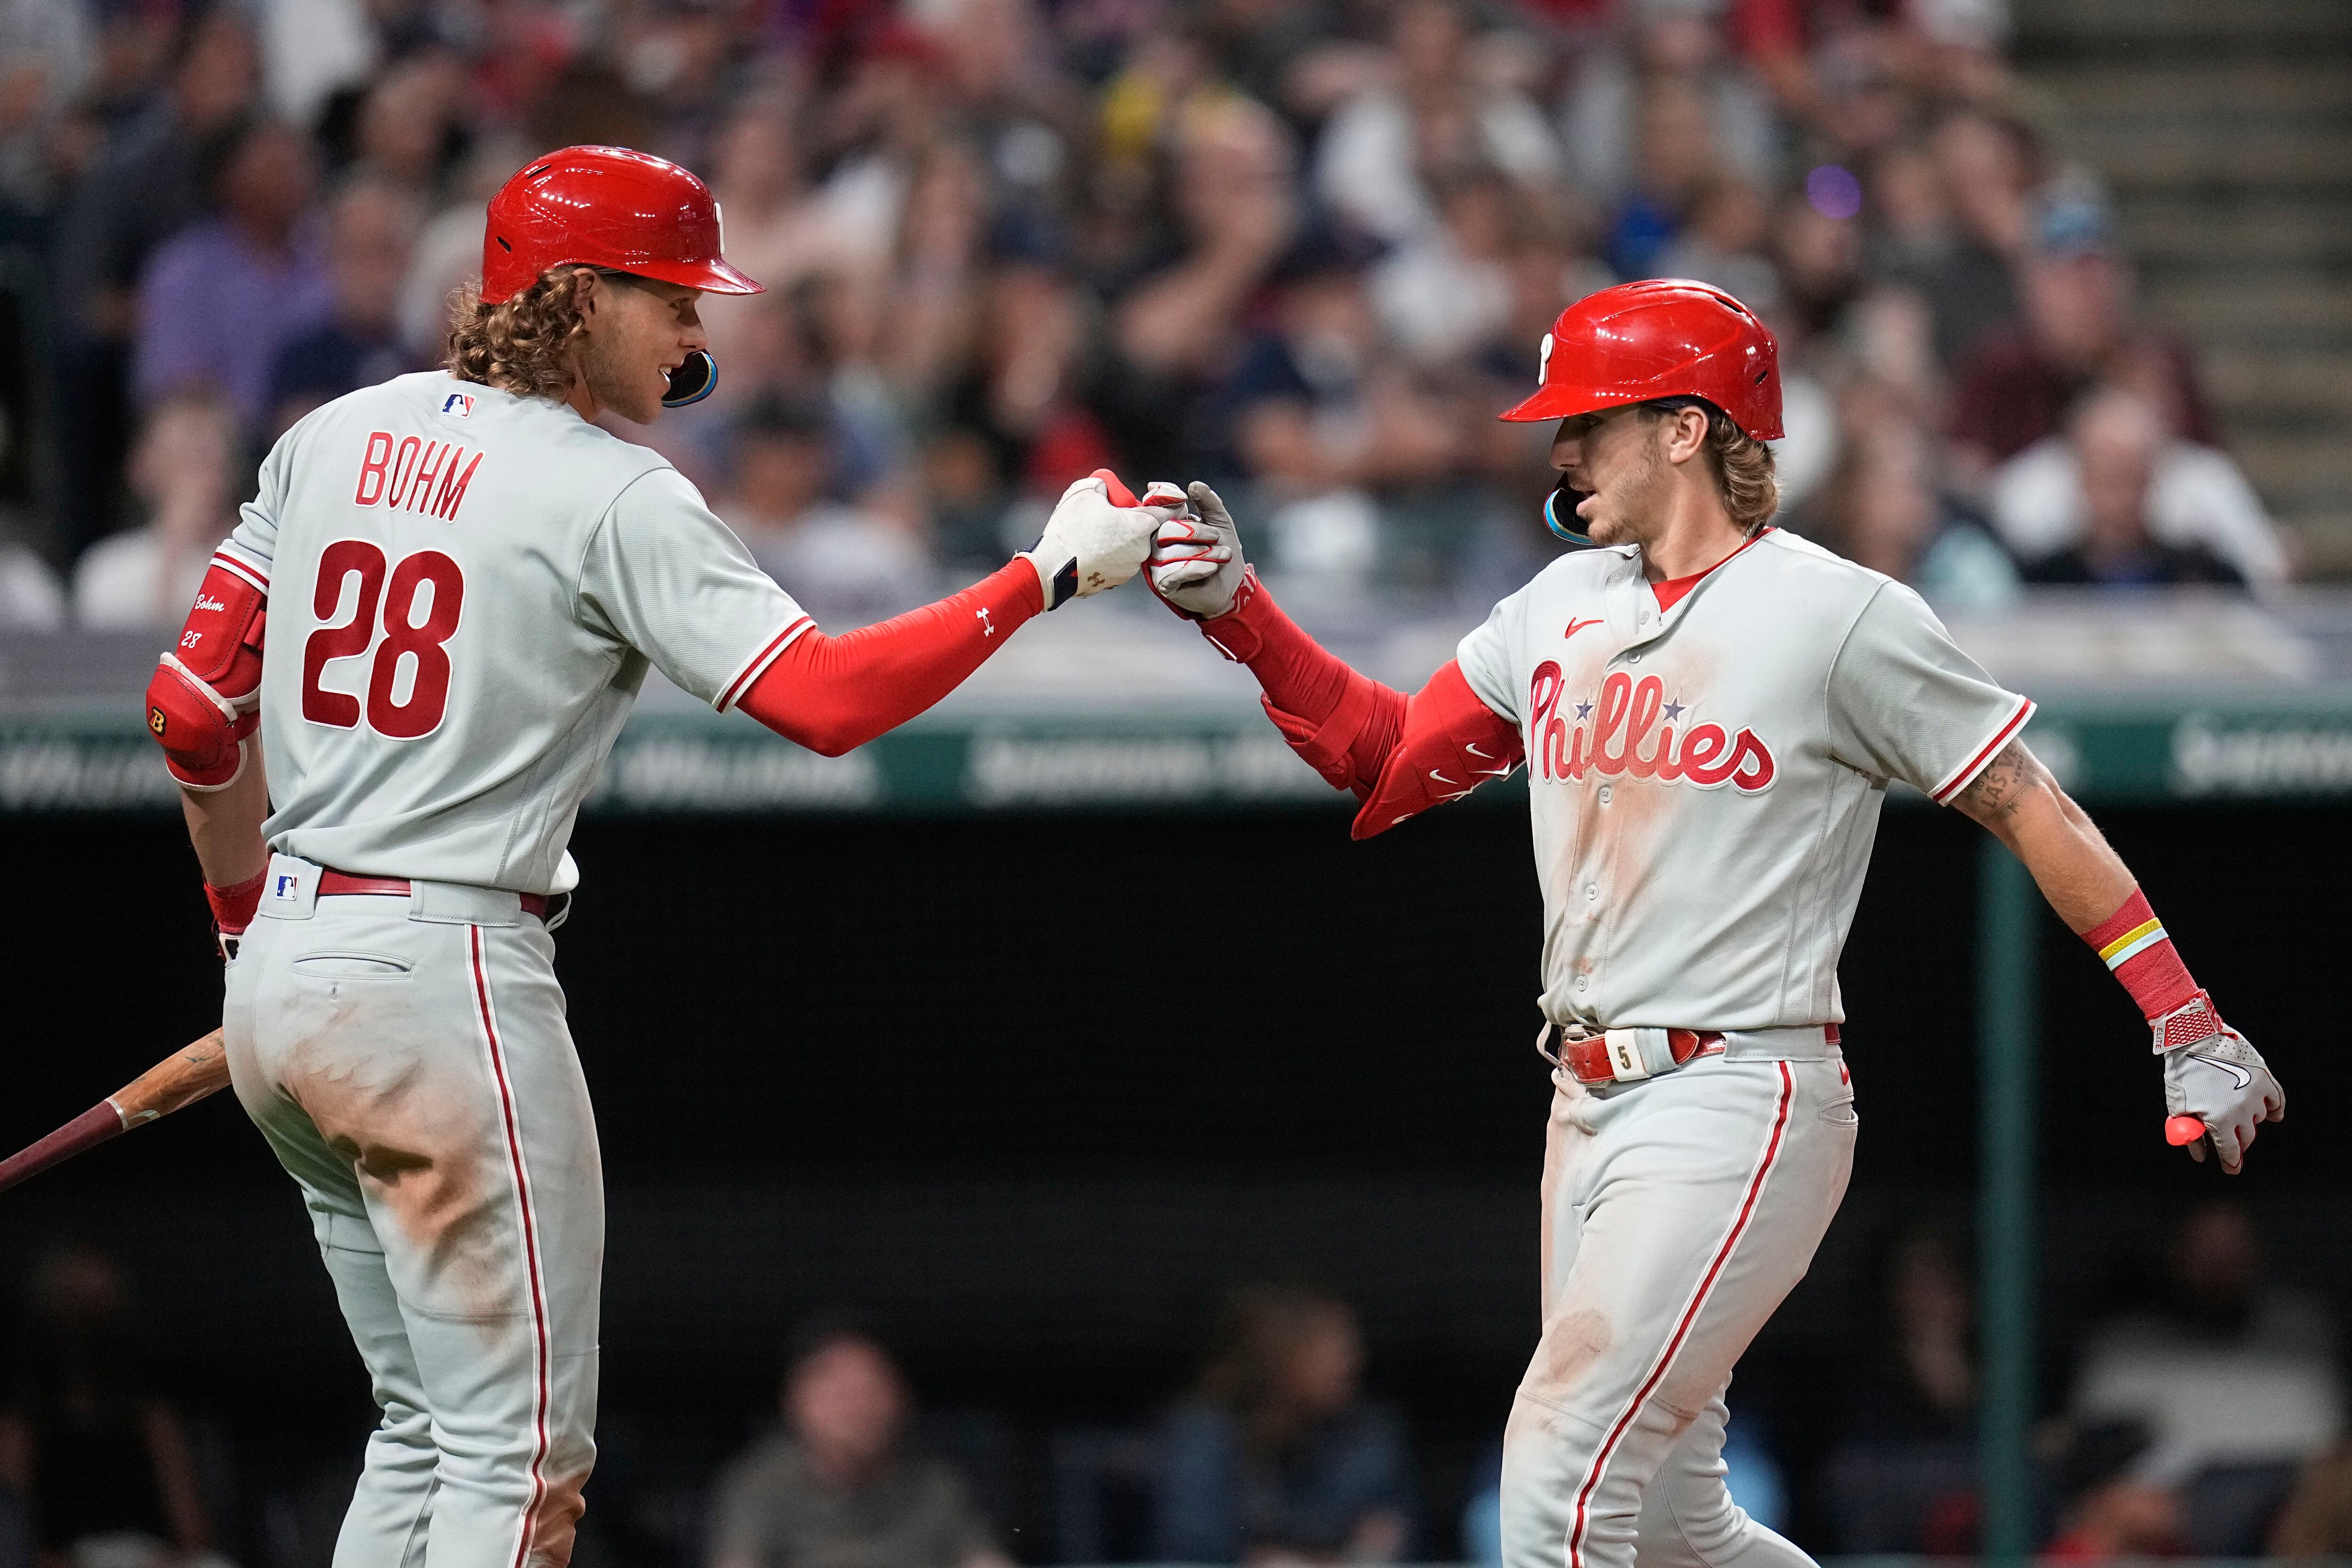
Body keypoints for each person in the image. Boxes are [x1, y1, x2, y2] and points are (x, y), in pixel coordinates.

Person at [142, 144, 1179, 1568]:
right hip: (443, 981)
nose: (699, 335)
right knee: (517, 1467)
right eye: (673, 299)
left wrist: (241, 930)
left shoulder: (333, 430)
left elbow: (191, 712)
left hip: (288, 972)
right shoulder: (611, 491)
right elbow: (823, 702)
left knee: (420, 1434)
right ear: (574, 298)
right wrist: (1045, 574)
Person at [1140, 278, 2284, 1568]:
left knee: (1556, 1470)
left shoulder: (1840, 614)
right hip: (1585, 1103)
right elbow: (1386, 756)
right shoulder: (1558, 604)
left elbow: (2032, 805)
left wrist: (2187, 1017)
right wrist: (1243, 612)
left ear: (1686, 428)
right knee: (1681, 1521)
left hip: (1740, 1089)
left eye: (1592, 420)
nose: (1562, 450)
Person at [707, 1321, 1012, 1568]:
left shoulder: (938, 1486)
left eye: (871, 1387)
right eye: (839, 1392)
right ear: (796, 1400)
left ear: (901, 1396)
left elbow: (984, 1559)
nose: (857, 1407)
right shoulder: (759, 1484)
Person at [1150, 1285, 1415, 1563]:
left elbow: (1397, 1541)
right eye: (1328, 1348)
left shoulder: (1369, 1436)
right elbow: (1192, 1549)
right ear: (1276, 1356)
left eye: (1349, 1348)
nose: (1349, 1363)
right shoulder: (1202, 1434)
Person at [0, 1247, 216, 1568]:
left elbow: (194, 1535)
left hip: (150, 1559)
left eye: (103, 1304)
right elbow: (14, 1540)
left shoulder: (152, 1418)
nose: (91, 1322)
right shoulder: (21, 1427)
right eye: (77, 1304)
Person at [2016, 390, 2245, 588]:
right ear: (2081, 476)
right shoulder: (2043, 581)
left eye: (2129, 476)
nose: (2119, 497)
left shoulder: (2201, 576)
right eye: (2107, 477)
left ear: (2152, 476)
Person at [73, 388, 241, 629]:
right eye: (186, 459)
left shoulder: (263, 565)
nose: (203, 476)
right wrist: (173, 558)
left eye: (209, 458)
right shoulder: (108, 572)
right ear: (144, 469)